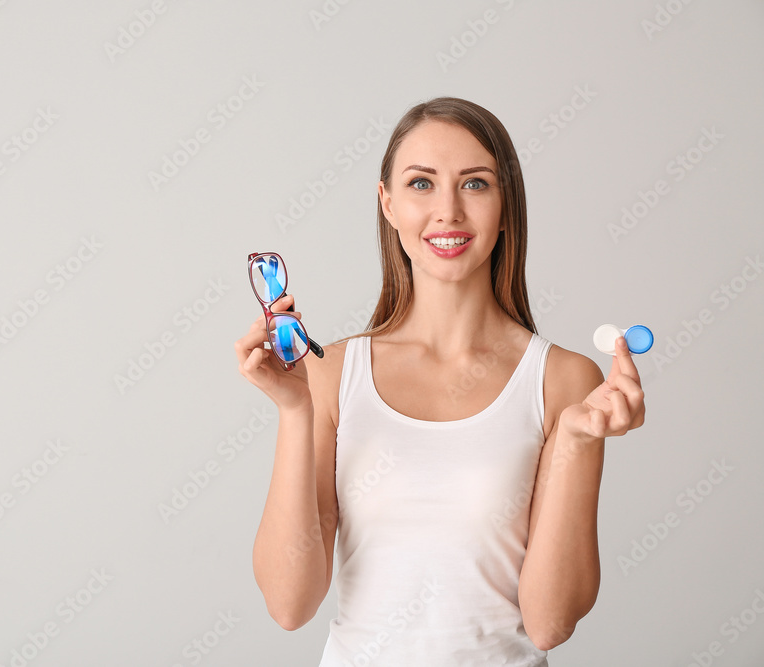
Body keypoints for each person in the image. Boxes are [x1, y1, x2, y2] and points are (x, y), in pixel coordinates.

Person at [234, 97, 646, 665]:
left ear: (506, 209)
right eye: (421, 184)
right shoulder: (329, 373)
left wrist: (578, 440)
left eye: (475, 184)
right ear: (387, 203)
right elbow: (289, 604)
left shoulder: (563, 380)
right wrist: (295, 411)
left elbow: (549, 624)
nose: (448, 211)